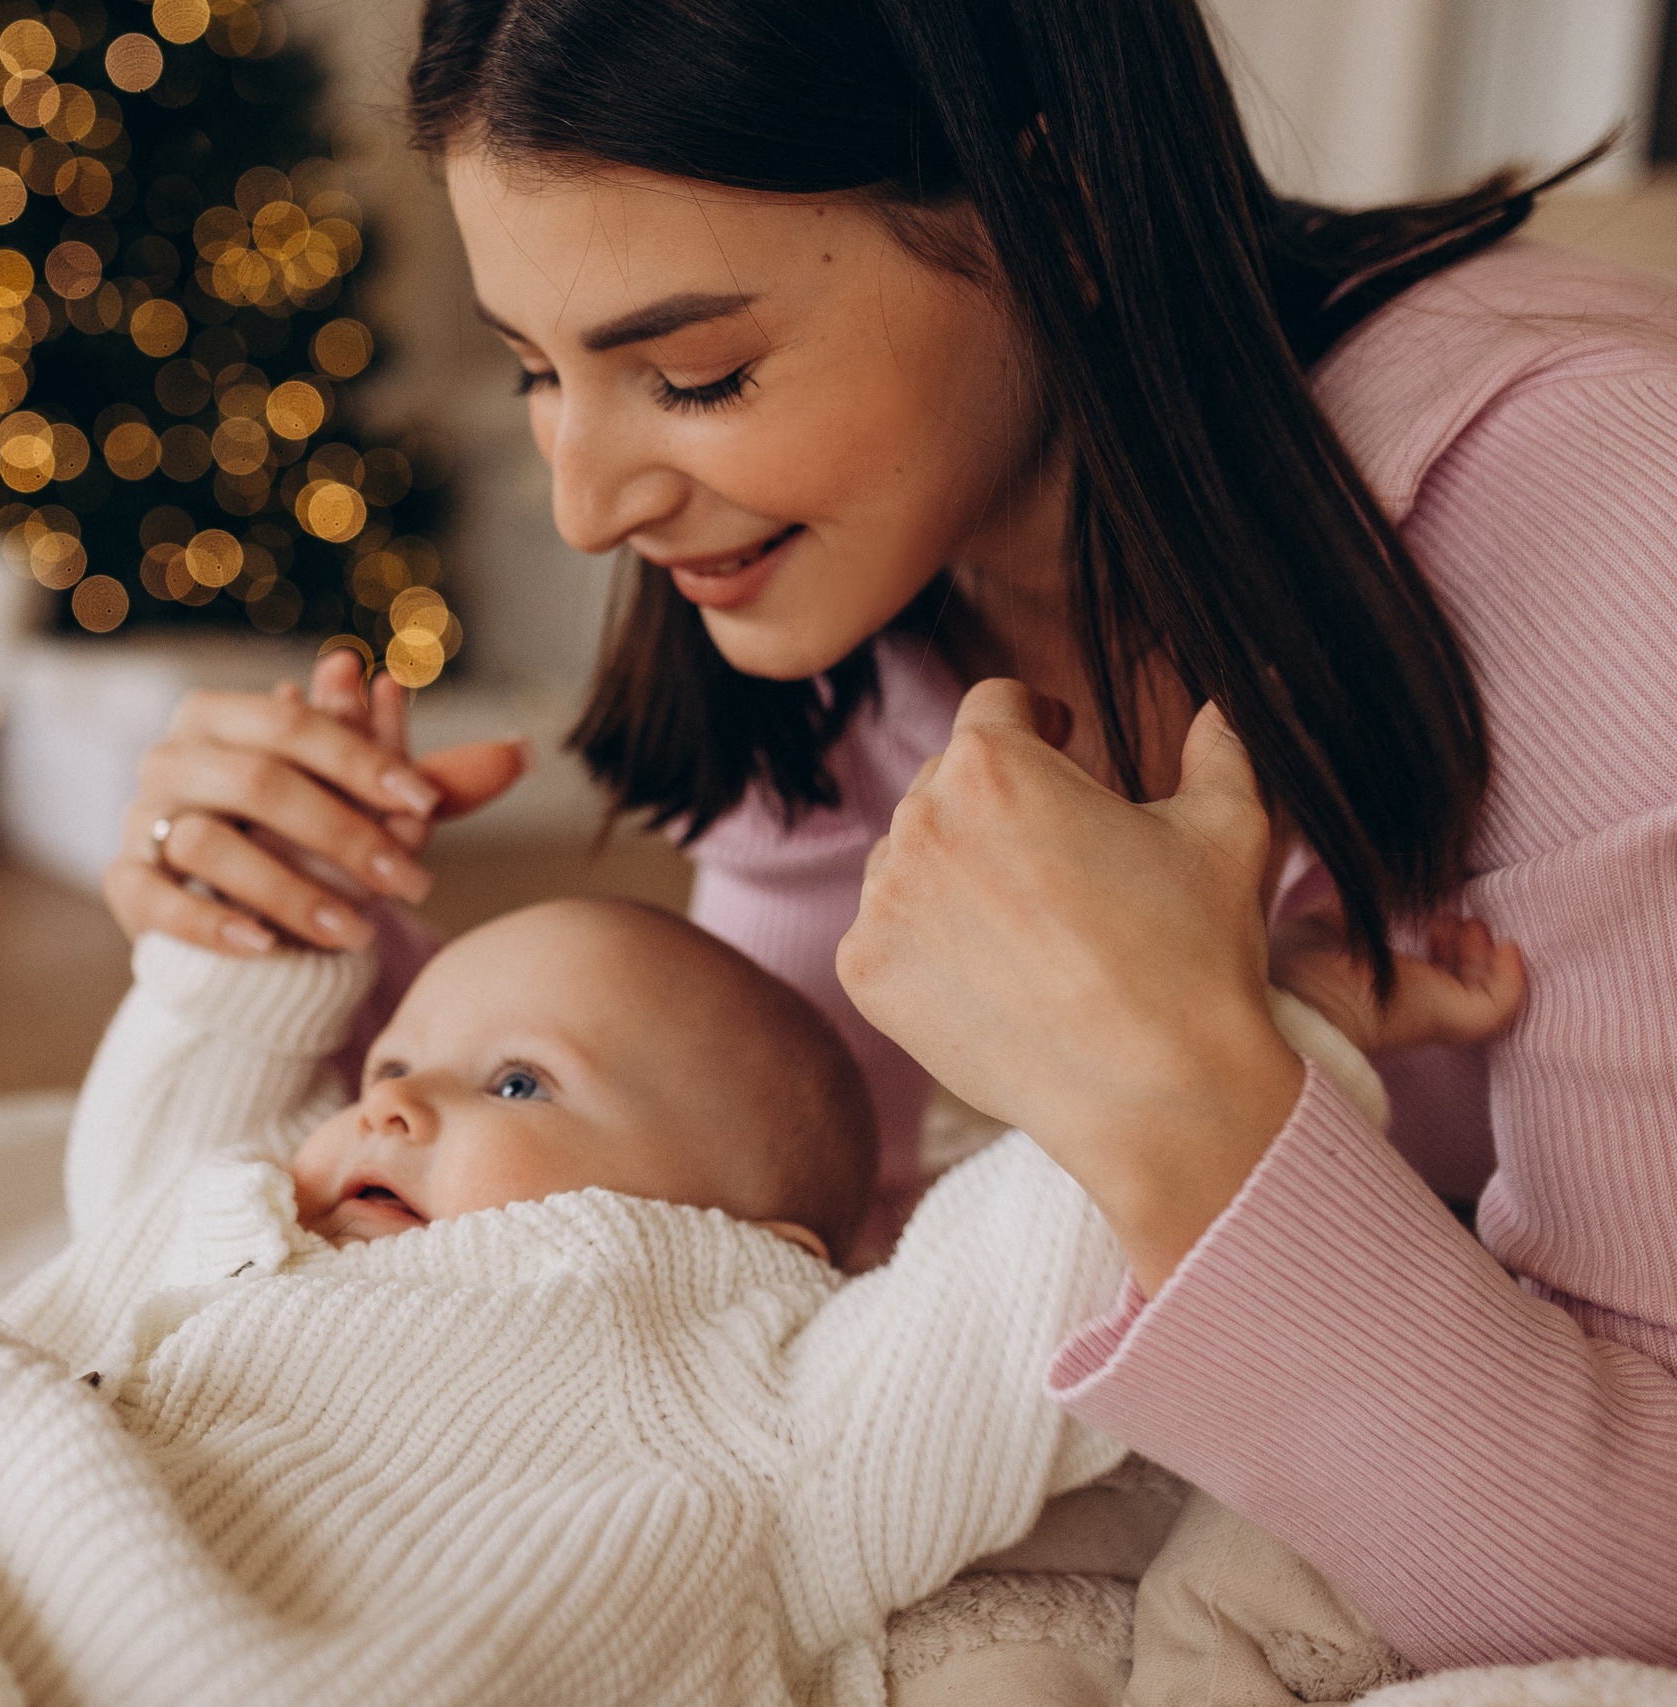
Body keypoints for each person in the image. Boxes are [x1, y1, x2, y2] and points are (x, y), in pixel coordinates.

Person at [102, 0, 1677, 1673]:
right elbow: (729, 1212)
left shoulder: (1596, 504)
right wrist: (287, 954)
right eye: (536, 369)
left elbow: (1641, 1586)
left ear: (1057, 216)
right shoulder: (879, 567)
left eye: (695, 376)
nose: (586, 504)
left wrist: (1187, 1090)